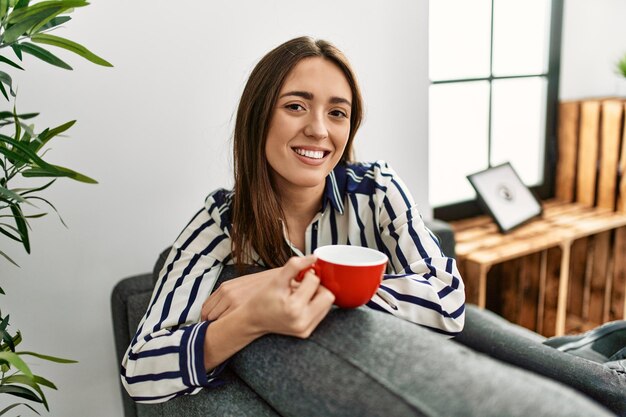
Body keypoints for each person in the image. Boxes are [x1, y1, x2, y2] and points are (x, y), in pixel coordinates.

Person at [120, 37, 615, 416]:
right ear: (258, 117)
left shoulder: (376, 187)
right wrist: (249, 319)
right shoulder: (218, 223)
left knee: (537, 355)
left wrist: (294, 279)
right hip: (385, 335)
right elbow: (140, 370)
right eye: (296, 105)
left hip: (416, 325)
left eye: (337, 113)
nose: (319, 129)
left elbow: (447, 301)